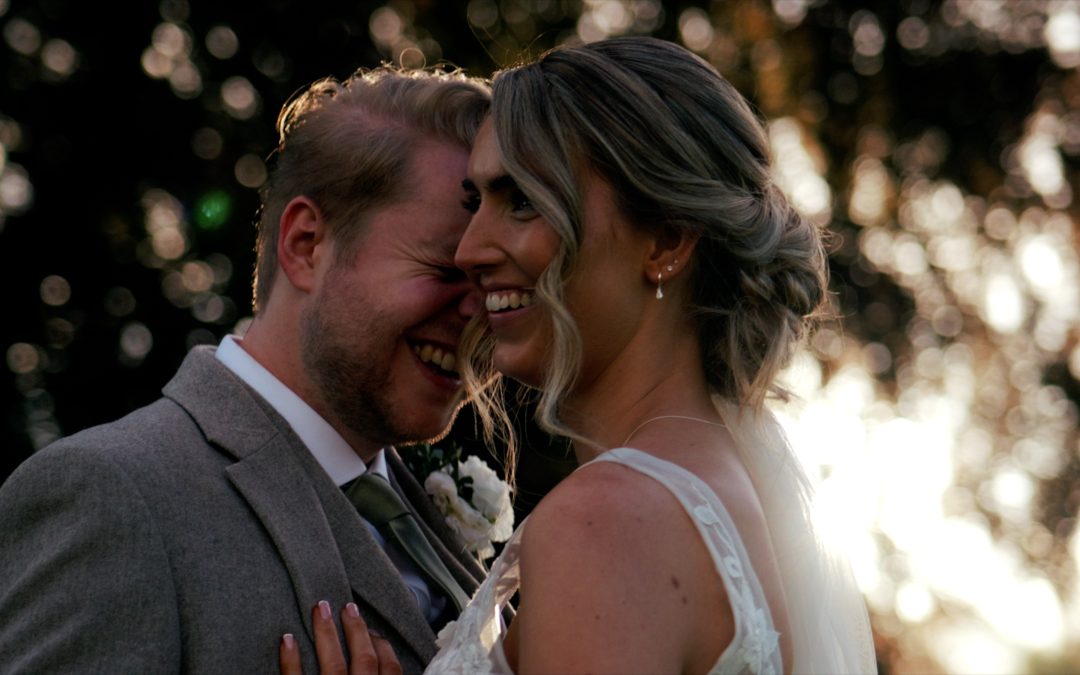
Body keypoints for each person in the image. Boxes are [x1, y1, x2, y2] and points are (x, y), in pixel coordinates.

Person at [295, 36, 878, 675]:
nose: (469, 250)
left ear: (666, 240)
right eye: (474, 202)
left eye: (521, 200)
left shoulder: (609, 522)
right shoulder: (734, 491)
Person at [0, 63, 492, 674]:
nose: (482, 318)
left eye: (495, 284)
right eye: (446, 271)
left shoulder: (424, 524)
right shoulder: (113, 493)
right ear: (308, 243)